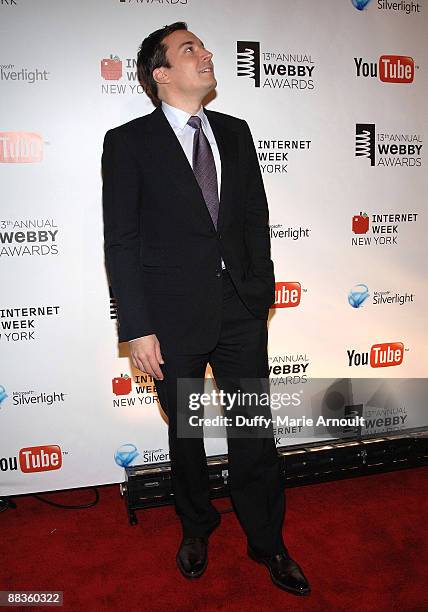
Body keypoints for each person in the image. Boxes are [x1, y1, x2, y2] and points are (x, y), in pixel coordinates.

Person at [102, 22, 310, 596]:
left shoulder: (236, 133)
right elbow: (121, 240)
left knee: (252, 430)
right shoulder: (128, 143)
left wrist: (260, 290)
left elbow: (254, 221)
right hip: (169, 317)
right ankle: (197, 526)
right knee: (187, 434)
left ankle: (268, 540)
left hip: (240, 308)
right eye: (190, 49)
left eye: (205, 47)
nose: (207, 54)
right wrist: (137, 327)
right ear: (160, 73)